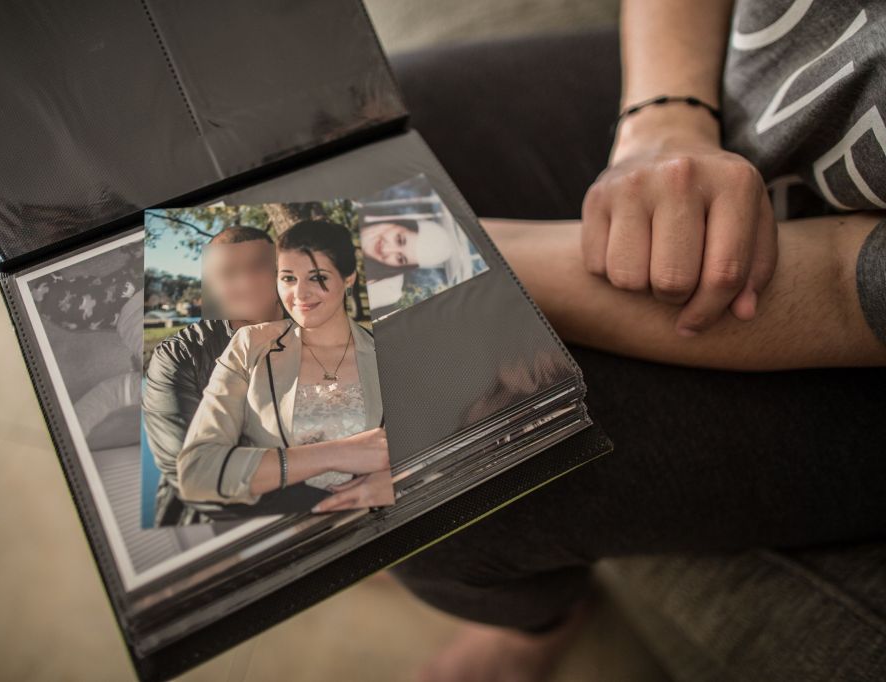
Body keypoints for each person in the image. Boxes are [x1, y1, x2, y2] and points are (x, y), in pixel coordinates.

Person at [384, 1, 886, 680]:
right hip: (736, 90)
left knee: (424, 473)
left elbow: (842, 293)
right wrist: (665, 117)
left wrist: (462, 257)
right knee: (376, 135)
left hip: (851, 345)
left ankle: (538, 621)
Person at [177, 219, 396, 515]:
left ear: (348, 278)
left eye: (317, 277)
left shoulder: (388, 348)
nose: (300, 294)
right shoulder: (250, 346)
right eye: (289, 278)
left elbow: (443, 436)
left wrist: (397, 480)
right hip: (292, 535)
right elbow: (197, 471)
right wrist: (335, 454)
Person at [142, 225, 285, 526]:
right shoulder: (178, 356)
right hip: (207, 525)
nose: (246, 281)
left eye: (258, 267)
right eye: (229, 272)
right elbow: (190, 472)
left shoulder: (322, 333)